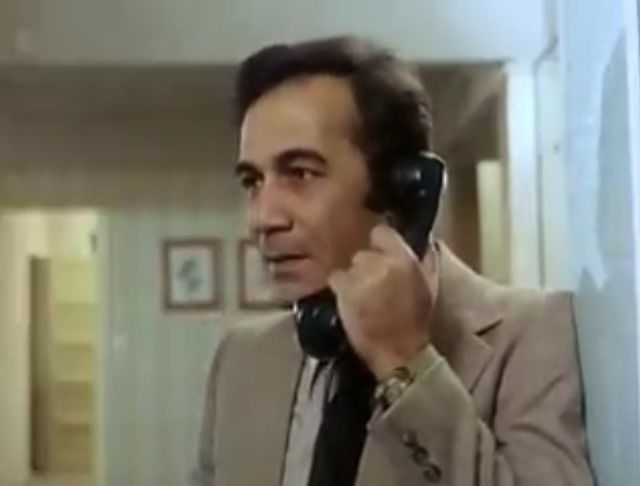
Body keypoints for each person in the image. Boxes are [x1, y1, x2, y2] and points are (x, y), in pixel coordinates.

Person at [191, 36, 593, 486]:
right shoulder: (240, 358)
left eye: (301, 173)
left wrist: (405, 361)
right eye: (253, 181)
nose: (263, 218)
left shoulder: (533, 335)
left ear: (400, 190)